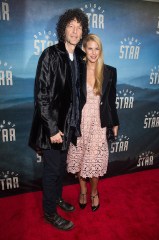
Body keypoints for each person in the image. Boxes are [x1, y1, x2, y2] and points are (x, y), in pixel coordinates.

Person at [29, 9, 89, 231]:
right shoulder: (50, 54)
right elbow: (42, 95)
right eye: (70, 26)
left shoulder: (81, 57)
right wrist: (52, 129)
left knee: (60, 168)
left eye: (79, 27)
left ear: (83, 31)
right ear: (63, 29)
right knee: (52, 171)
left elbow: (79, 93)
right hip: (52, 128)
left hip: (69, 125)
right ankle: (50, 213)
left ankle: (56, 199)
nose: (75, 31)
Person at [67, 34, 119, 212]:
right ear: (84, 49)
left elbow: (111, 101)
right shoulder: (77, 69)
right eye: (90, 48)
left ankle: (94, 193)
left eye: (97, 48)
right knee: (81, 161)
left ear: (100, 50)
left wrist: (115, 123)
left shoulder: (109, 71)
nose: (93, 52)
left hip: (99, 122)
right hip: (81, 122)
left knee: (94, 161)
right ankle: (82, 191)